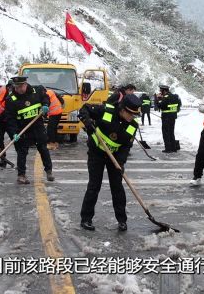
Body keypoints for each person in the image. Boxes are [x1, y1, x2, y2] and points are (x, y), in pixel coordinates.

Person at [78, 94, 142, 232]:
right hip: (96, 153)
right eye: (131, 114)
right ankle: (86, 219)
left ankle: (122, 220)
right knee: (94, 186)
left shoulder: (132, 126)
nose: (132, 117)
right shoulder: (107, 110)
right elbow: (84, 109)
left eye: (135, 115)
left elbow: (126, 147)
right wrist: (87, 121)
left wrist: (120, 162)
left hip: (115, 157)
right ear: (123, 109)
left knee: (117, 188)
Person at [3, 76, 53, 184]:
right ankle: (21, 175)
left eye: (21, 86)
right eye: (16, 87)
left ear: (26, 84)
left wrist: (45, 105)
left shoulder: (37, 90)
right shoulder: (11, 99)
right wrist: (14, 132)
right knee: (22, 151)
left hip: (37, 126)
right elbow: (10, 119)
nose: (19, 89)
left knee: (43, 149)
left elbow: (46, 98)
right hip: (23, 128)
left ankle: (49, 171)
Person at [156, 85, 182, 153]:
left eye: (161, 91)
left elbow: (160, 106)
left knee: (166, 133)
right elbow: (179, 105)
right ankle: (173, 148)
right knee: (171, 132)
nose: (160, 92)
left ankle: (168, 148)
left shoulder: (166, 97)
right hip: (173, 117)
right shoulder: (175, 96)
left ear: (164, 91)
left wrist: (158, 100)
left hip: (166, 117)